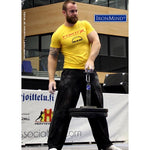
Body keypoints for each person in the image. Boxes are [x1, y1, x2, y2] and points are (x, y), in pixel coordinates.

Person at [47, 0, 122, 150]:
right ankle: (54, 146)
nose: (75, 14)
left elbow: (96, 42)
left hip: (89, 72)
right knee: (62, 110)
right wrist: (51, 79)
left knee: (97, 109)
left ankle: (105, 145)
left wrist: (91, 59)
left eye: (76, 11)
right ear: (64, 13)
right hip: (70, 74)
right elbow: (52, 56)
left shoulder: (85, 25)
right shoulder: (58, 33)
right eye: (71, 11)